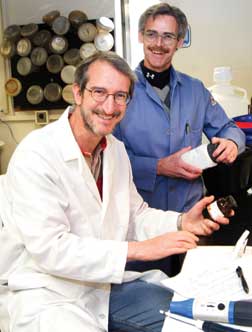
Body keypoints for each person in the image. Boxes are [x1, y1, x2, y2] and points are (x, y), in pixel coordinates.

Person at [0, 51, 230, 332]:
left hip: (104, 289)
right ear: (78, 93)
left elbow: (134, 215)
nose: (110, 106)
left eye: (120, 96)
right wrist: (139, 250)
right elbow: (51, 249)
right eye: (99, 92)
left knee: (199, 321)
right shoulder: (37, 154)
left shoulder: (115, 150)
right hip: (48, 294)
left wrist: (181, 221)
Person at [113, 3, 245, 275]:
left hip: (192, 218)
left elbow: (231, 129)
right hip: (141, 222)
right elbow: (105, 159)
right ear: (140, 36)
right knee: (146, 301)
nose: (158, 44)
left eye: (168, 36)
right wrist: (158, 167)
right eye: (151, 34)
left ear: (180, 41)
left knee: (192, 297)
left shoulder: (195, 89)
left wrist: (231, 142)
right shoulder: (120, 90)